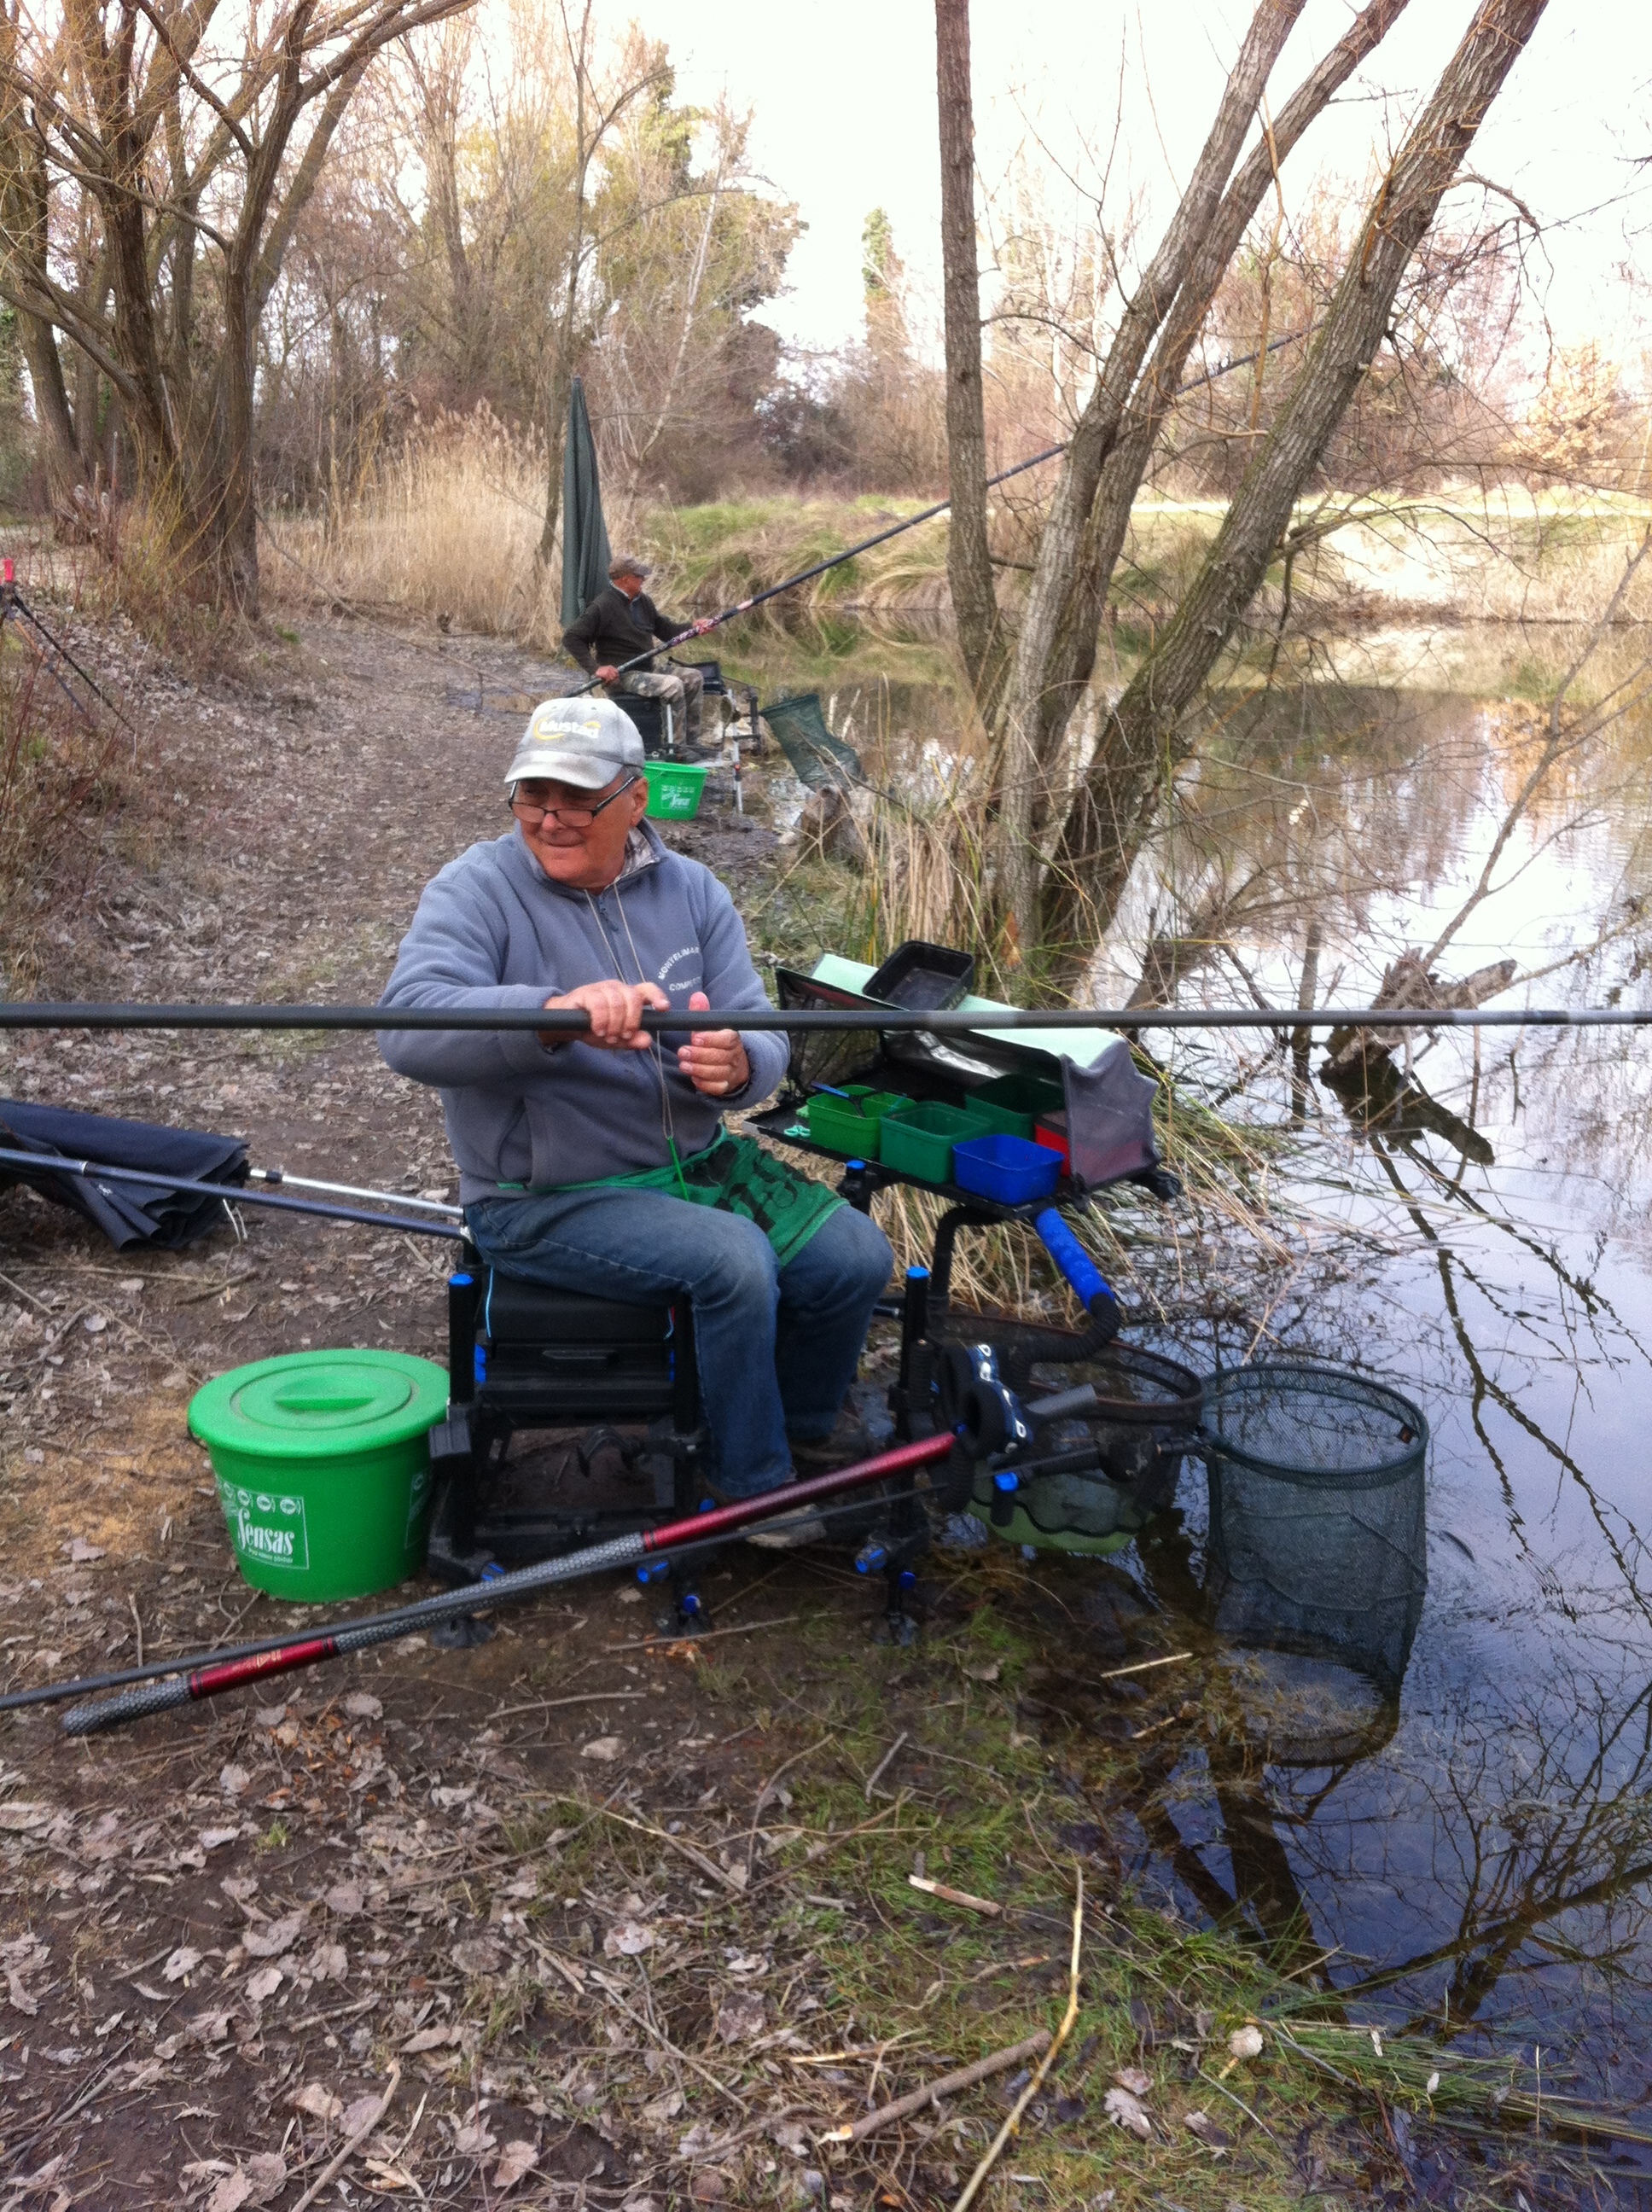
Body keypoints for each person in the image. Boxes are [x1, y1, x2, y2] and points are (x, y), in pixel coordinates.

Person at [378, 696, 893, 1543]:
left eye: (577, 799)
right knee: (734, 1263)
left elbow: (759, 1029)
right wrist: (550, 1015)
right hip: (541, 1196)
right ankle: (749, 1487)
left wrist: (740, 1067)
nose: (549, 819)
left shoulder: (694, 891)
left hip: (694, 1164)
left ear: (636, 797)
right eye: (533, 795)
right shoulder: (475, 889)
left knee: (855, 1257)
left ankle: (800, 1429)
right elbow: (406, 1028)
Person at [562, 554, 715, 746]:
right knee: (673, 685)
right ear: (625, 580)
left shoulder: (643, 602)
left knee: (695, 678)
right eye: (639, 576)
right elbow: (571, 637)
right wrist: (596, 668)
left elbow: (667, 631)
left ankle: (692, 743)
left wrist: (693, 627)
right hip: (624, 675)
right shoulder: (603, 605)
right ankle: (676, 748)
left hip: (648, 668)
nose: (643, 579)